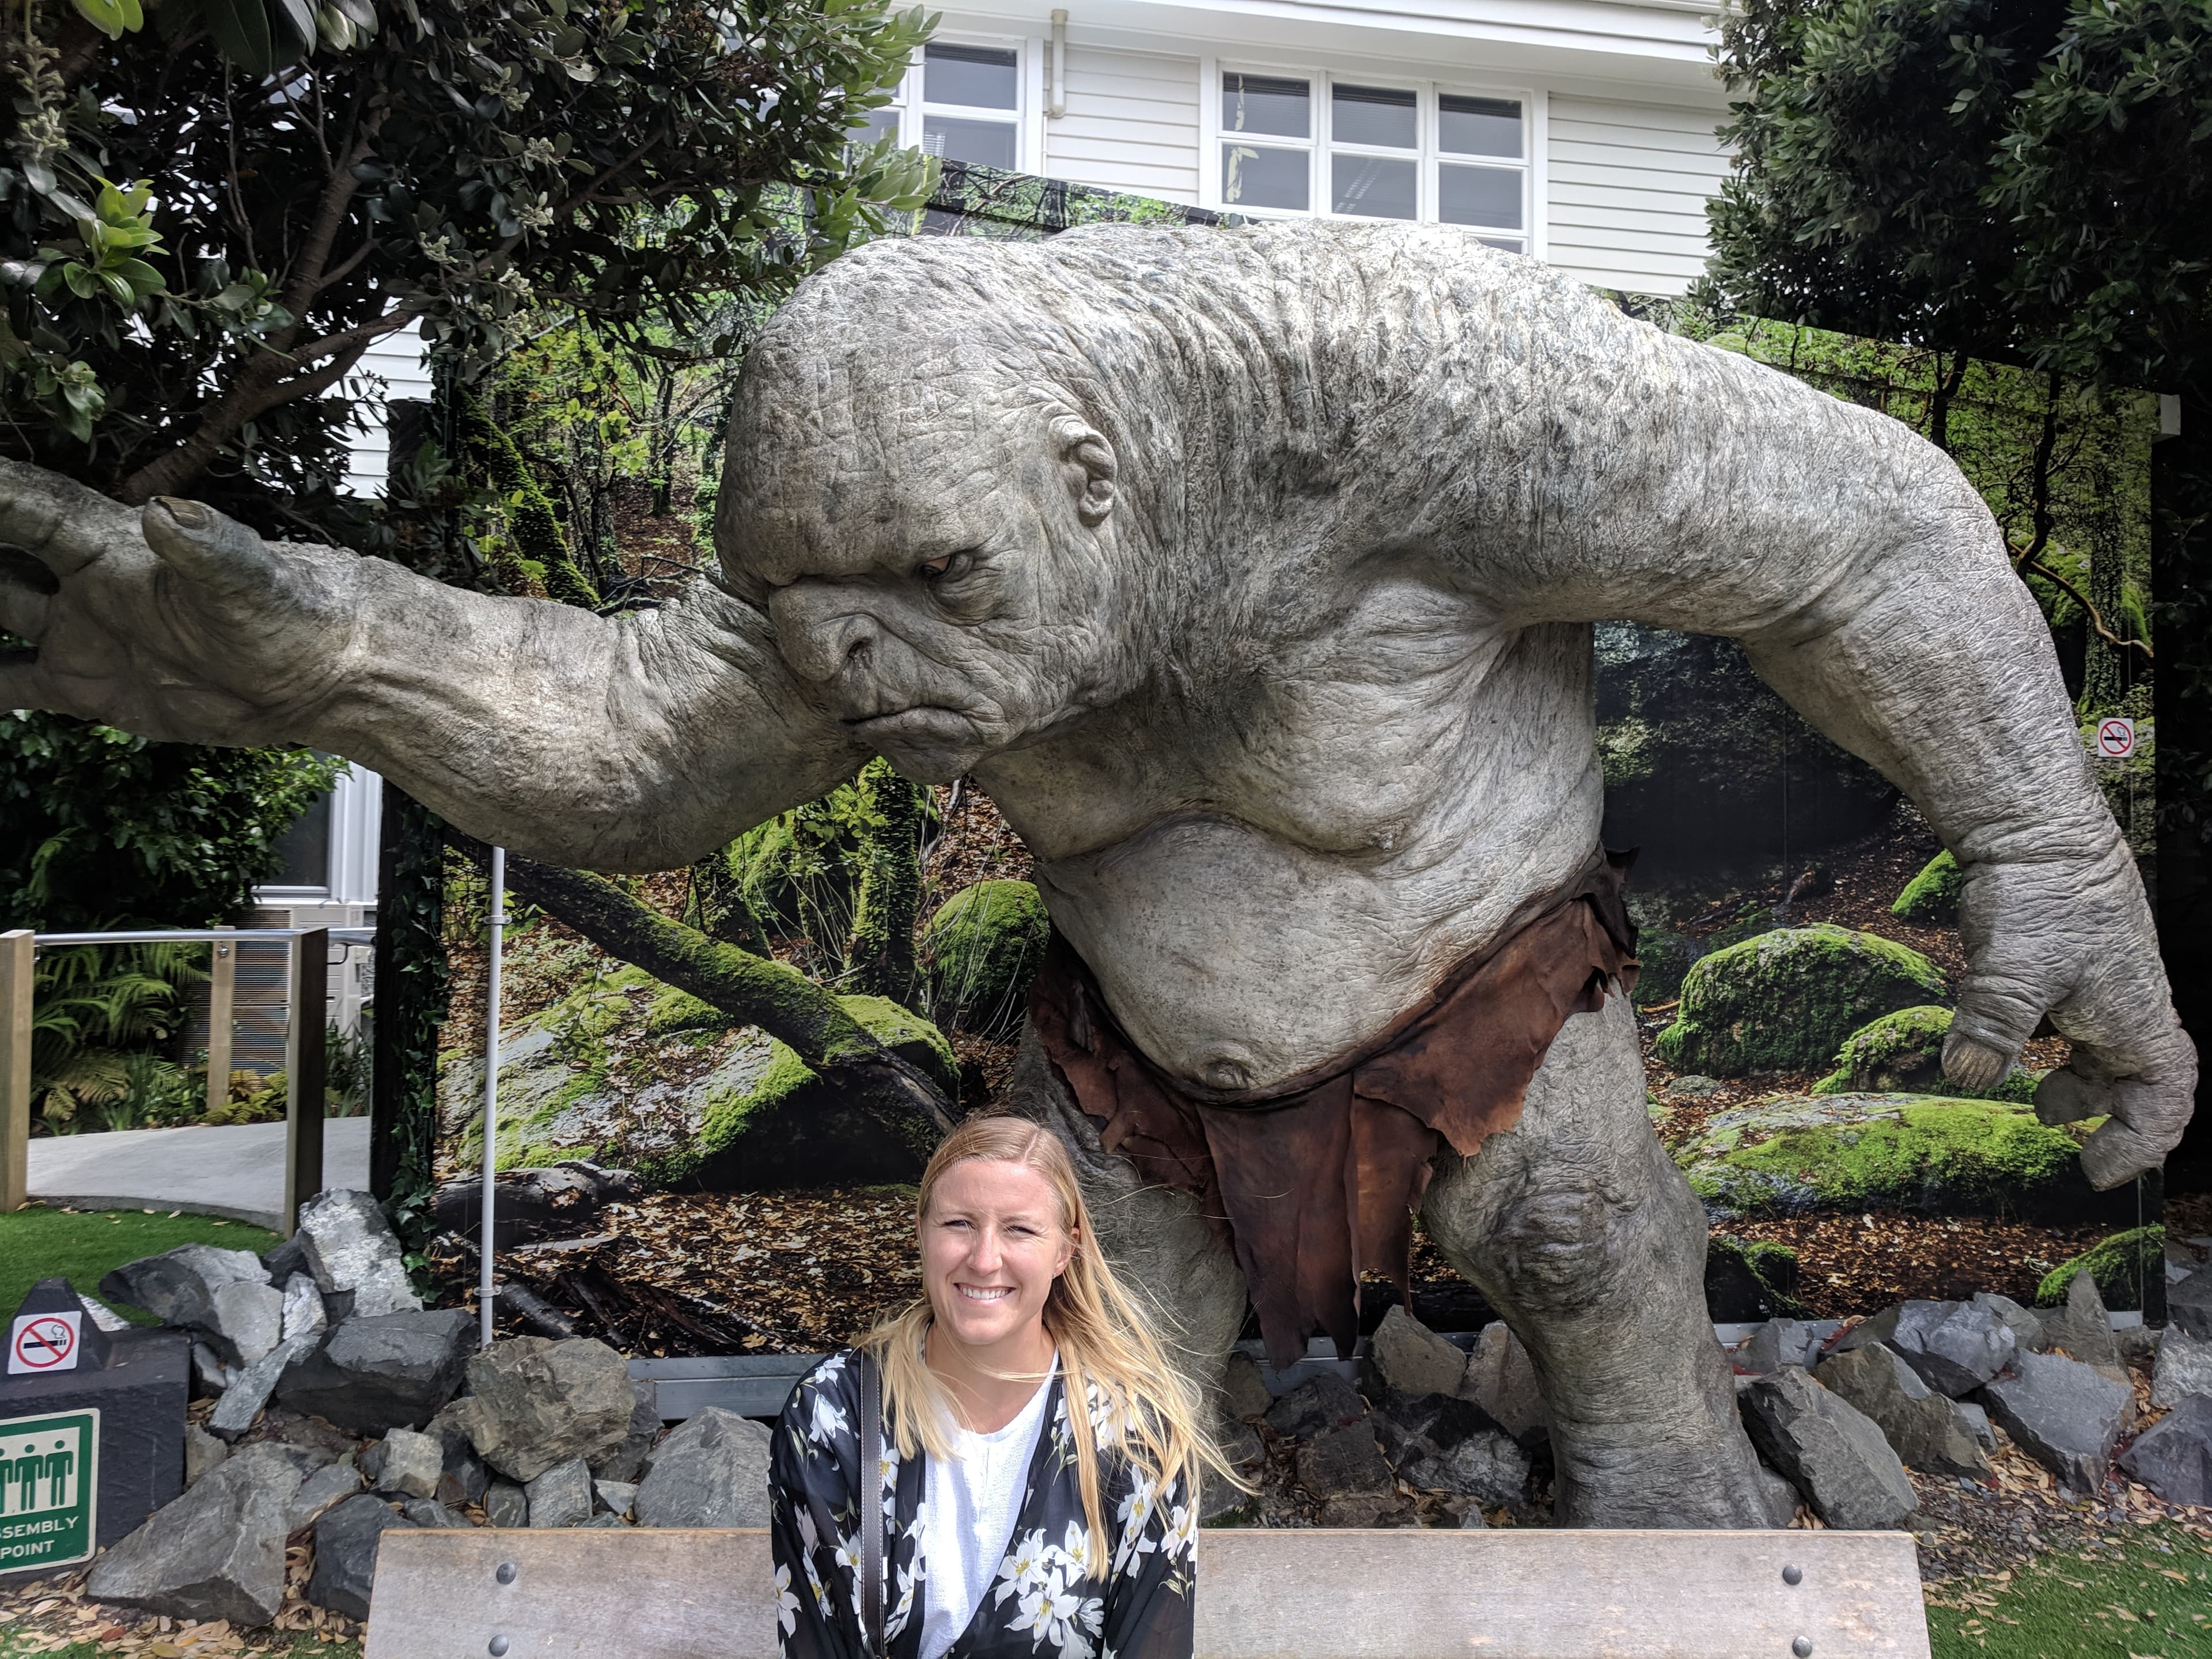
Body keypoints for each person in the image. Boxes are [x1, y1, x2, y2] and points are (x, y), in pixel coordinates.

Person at [770, 1116, 1242, 1659]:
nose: (985, 1258)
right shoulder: (834, 1416)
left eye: (1019, 1229)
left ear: (1065, 1251)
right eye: (959, 1224)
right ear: (921, 1232)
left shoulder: (1135, 1435)